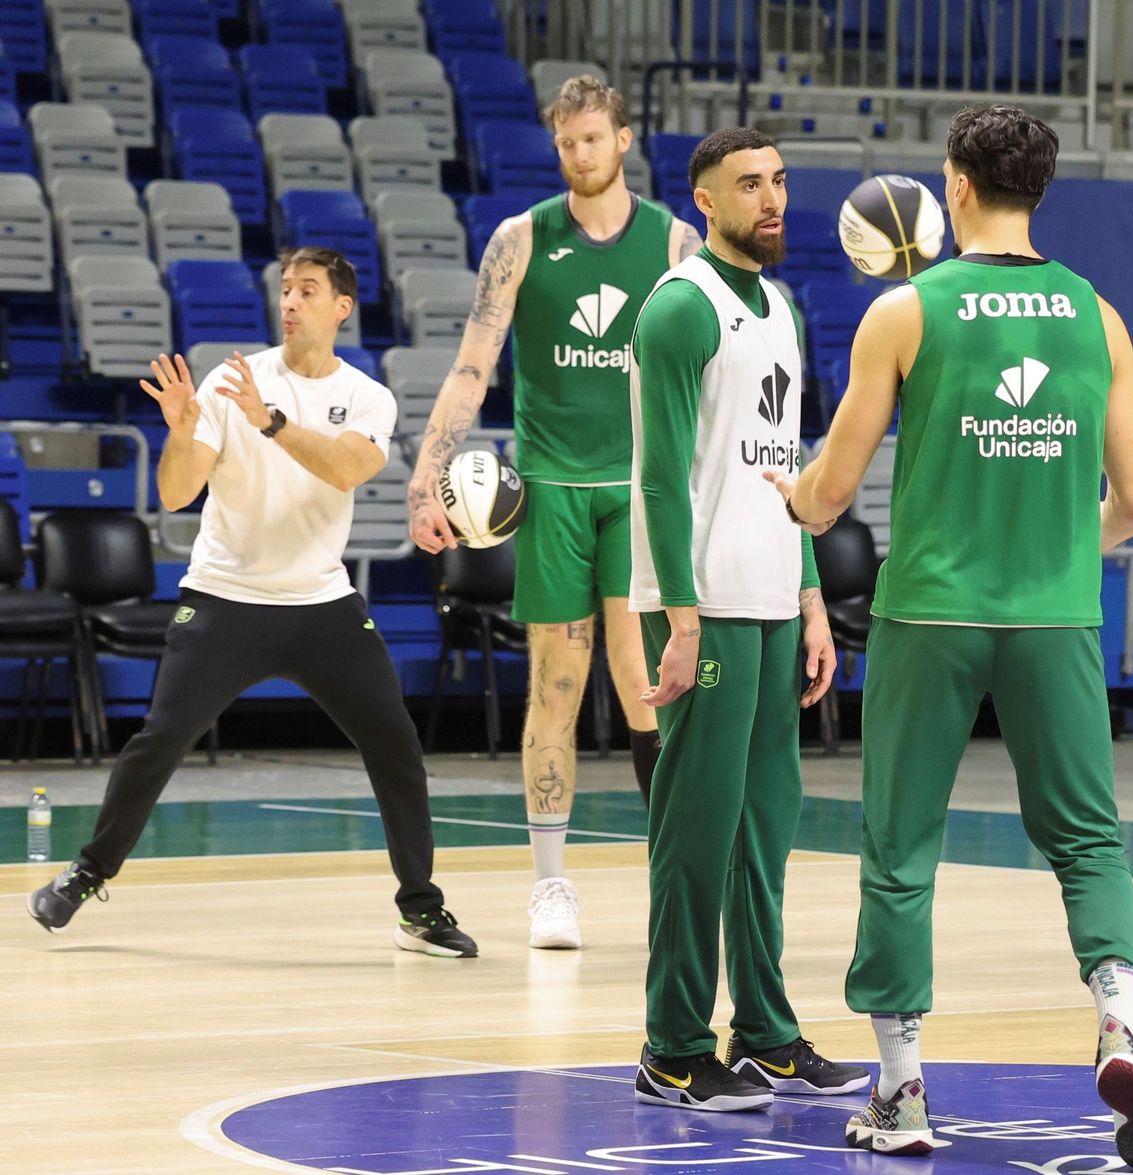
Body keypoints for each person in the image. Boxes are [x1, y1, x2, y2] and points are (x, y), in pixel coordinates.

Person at [772, 105, 1133, 1170]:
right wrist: (1053, 541)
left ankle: (902, 1093)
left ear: (954, 185)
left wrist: (794, 493)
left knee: (900, 850)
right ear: (1036, 188)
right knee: (1087, 839)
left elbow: (830, 493)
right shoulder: (1099, 317)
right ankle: (1119, 1021)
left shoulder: (904, 312)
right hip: (1053, 616)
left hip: (930, 615)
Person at [27, 247, 476, 960]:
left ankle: (420, 910)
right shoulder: (231, 382)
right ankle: (88, 871)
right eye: (285, 289)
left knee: (396, 746)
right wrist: (180, 430)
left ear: (341, 307)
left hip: (322, 601)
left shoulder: (367, 395)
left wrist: (271, 423)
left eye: (307, 290)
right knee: (161, 737)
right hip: (225, 596)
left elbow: (349, 466)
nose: (290, 301)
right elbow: (177, 492)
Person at [406, 77, 701, 951]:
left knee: (646, 682)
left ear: (623, 140)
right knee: (556, 685)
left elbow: (705, 370)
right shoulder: (520, 239)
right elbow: (472, 366)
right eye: (567, 143)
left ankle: (677, 872)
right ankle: (550, 887)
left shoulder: (675, 242)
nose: (580, 156)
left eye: (593, 140)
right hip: (554, 489)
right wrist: (427, 479)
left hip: (642, 487)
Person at [628, 127, 868, 1114]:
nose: (770, 200)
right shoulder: (679, 309)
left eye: (777, 182)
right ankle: (671, 1045)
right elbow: (657, 473)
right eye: (748, 186)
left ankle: (764, 1032)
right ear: (702, 202)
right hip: (706, 605)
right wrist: (680, 616)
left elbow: (792, 468)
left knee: (763, 831)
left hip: (771, 598)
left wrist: (810, 597)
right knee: (696, 829)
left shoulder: (778, 305)